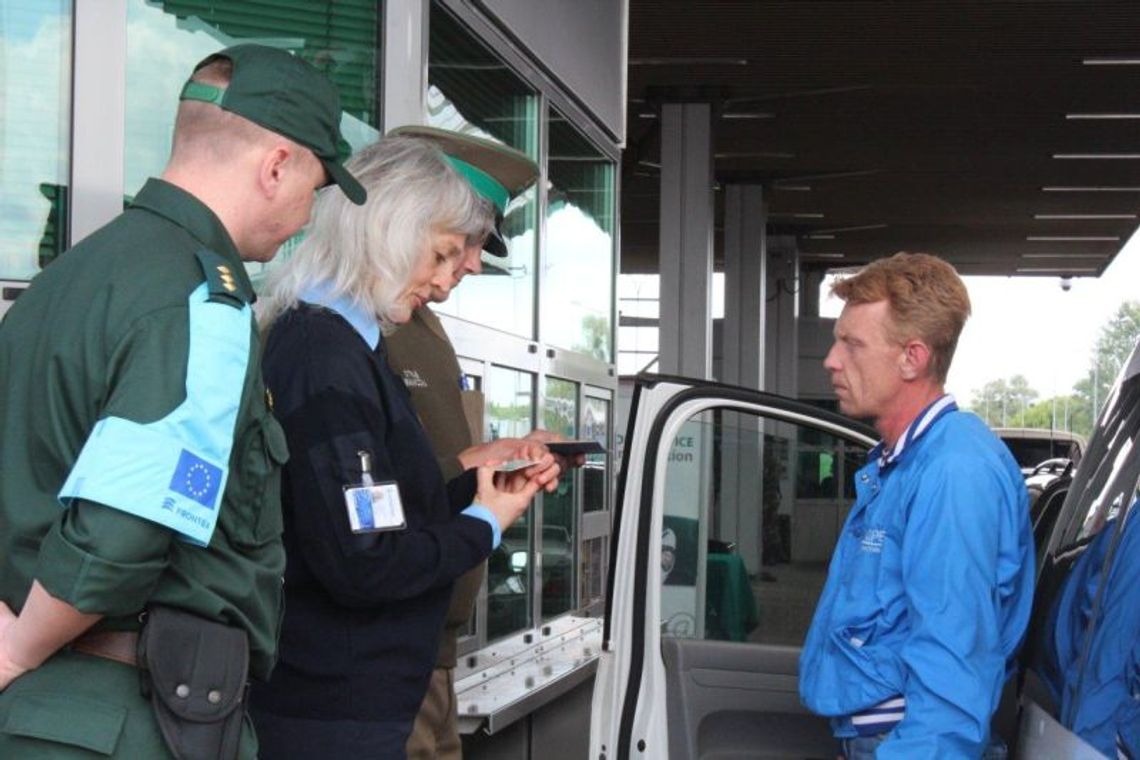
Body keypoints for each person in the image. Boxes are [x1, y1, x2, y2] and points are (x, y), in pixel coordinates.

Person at [0, 44, 364, 758]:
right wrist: (18, 648)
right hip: (129, 715)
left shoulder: (63, 281)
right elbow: (127, 523)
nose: (305, 218)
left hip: (46, 712)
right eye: (316, 191)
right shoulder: (205, 299)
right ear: (277, 165)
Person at [248, 135, 561, 759]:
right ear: (389, 230)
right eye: (443, 254)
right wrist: (484, 523)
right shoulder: (325, 354)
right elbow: (365, 559)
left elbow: (369, 509)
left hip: (350, 702)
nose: (447, 281)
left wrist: (475, 486)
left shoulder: (344, 345)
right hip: (333, 710)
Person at [381, 125, 579, 760]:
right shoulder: (362, 326)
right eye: (461, 242)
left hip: (433, 640)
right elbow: (368, 496)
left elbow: (431, 463)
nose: (471, 263)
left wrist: (499, 460)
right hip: (391, 640)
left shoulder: (420, 326)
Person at [798, 252, 1034, 758]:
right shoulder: (905, 462)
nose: (831, 360)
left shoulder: (954, 472)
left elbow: (953, 675)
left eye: (852, 344)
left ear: (913, 357)